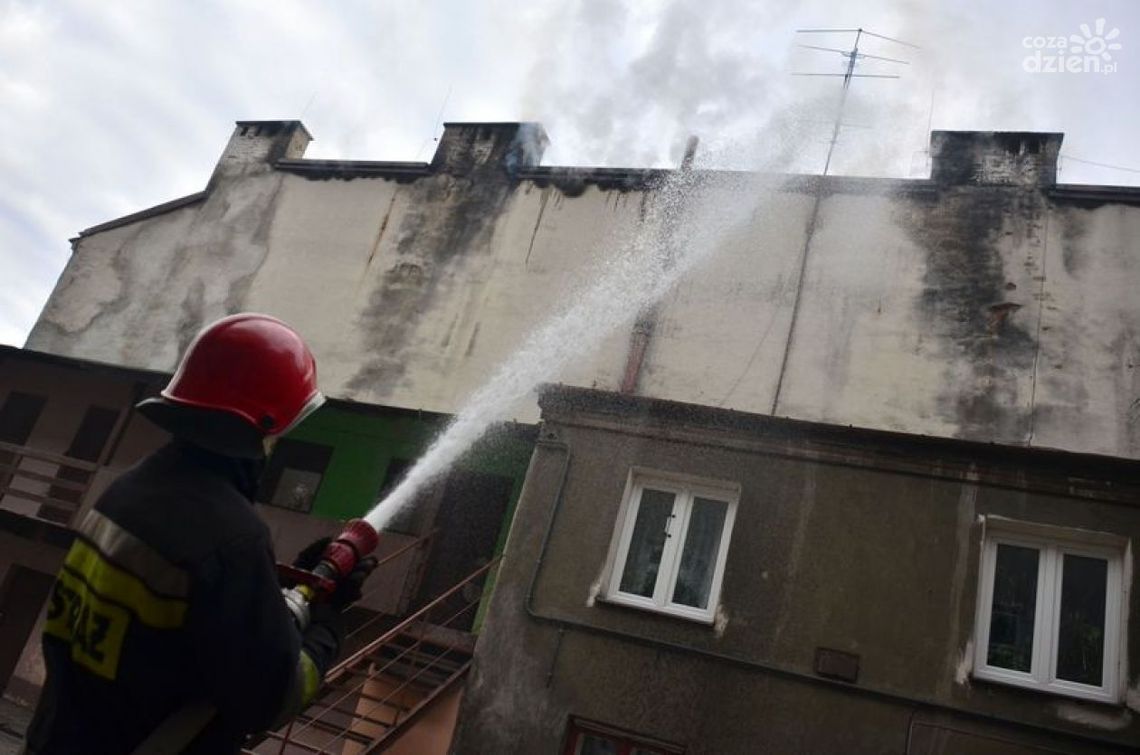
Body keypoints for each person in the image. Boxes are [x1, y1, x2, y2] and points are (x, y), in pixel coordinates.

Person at [25, 313, 372, 754]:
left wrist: (281, 583)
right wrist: (327, 621)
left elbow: (184, 626)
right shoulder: (231, 538)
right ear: (266, 423)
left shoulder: (129, 492)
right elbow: (270, 698)